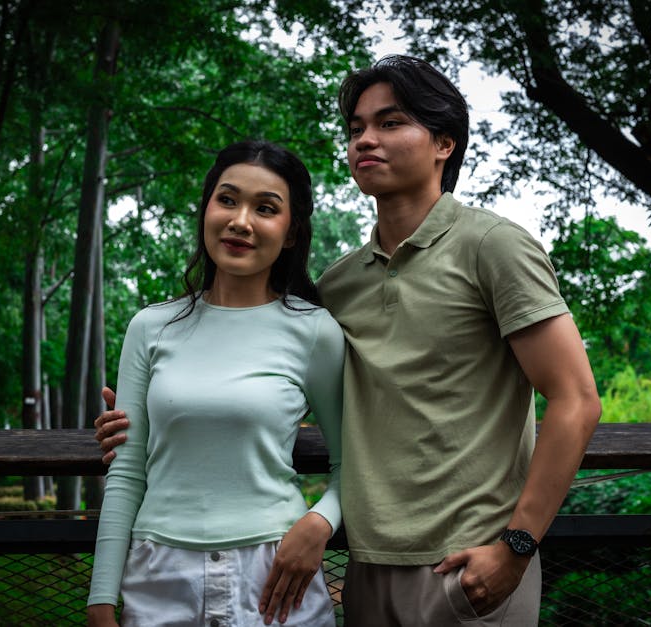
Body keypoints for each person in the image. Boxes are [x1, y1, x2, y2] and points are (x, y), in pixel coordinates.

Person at [96, 56, 601, 625]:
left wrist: (516, 546)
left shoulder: (494, 247)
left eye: (390, 123)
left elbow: (577, 399)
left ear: (444, 143)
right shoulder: (337, 287)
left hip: (469, 564)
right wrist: (151, 416)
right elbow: (255, 364)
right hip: (366, 564)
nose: (366, 139)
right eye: (357, 127)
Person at [87, 140, 344, 627]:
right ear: (206, 209)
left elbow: (351, 464)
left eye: (265, 209)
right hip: (159, 574)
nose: (240, 221)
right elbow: (127, 470)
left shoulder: (316, 331)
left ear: (291, 233)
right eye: (227, 199)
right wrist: (100, 597)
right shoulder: (150, 327)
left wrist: (319, 522)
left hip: (276, 577)